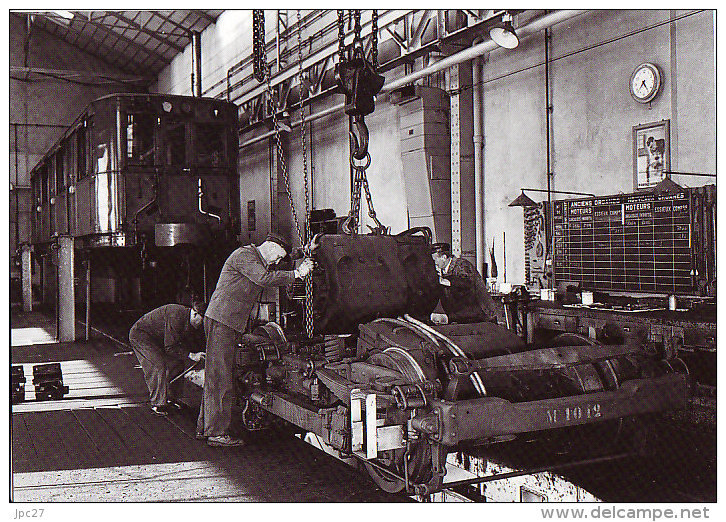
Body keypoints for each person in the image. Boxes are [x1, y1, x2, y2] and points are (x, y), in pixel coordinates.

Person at [197, 232, 315, 447]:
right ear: (270, 246)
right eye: (278, 257)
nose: (279, 262)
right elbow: (264, 278)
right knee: (220, 375)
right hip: (223, 321)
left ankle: (207, 427)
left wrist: (305, 250)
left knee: (220, 373)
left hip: (228, 322)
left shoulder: (259, 257)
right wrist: (297, 274)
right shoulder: (245, 256)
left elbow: (282, 259)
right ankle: (216, 433)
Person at [129, 302, 207, 416]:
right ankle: (157, 403)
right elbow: (170, 347)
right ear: (195, 314)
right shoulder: (177, 316)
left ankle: (171, 398)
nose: (203, 324)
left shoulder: (189, 320)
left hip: (158, 339)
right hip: (141, 336)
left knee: (177, 363)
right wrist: (191, 355)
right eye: (203, 320)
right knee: (158, 365)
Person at [430, 242, 497, 325]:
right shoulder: (444, 270)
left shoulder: (462, 265)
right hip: (465, 317)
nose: (434, 262)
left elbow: (465, 284)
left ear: (444, 257)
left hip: (482, 316)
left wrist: (445, 281)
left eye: (435, 259)